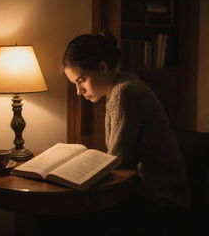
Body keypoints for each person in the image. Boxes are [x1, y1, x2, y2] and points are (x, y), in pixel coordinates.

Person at [61, 31, 191, 235]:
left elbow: (119, 160)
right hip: (144, 193)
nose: (79, 91)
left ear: (102, 68)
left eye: (82, 80)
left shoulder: (126, 92)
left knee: (70, 219)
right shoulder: (117, 89)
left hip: (160, 200)